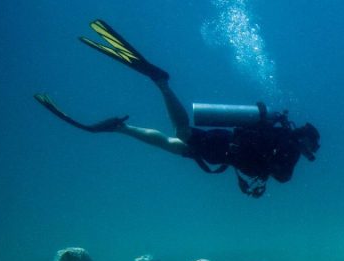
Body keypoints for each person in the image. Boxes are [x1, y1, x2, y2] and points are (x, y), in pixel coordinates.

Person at [34, 20, 319, 198]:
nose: (311, 152)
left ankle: (122, 128)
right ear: (305, 138)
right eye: (312, 146)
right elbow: (283, 176)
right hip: (224, 146)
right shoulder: (289, 147)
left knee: (175, 145)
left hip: (224, 148)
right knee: (181, 133)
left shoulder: (282, 137)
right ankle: (162, 83)